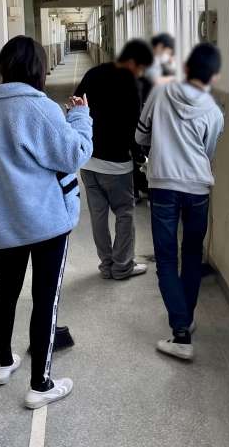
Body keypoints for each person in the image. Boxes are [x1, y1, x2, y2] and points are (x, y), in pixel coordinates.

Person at [0, 36, 93, 409]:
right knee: (45, 298)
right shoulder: (39, 107)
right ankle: (41, 384)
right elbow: (74, 154)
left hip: (5, 221)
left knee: (6, 290)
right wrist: (80, 118)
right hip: (45, 222)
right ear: (37, 68)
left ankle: (3, 363)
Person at [136, 43, 224, 361]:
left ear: (186, 69)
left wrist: (160, 144)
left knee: (166, 259)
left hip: (163, 185)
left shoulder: (161, 93)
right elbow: (207, 152)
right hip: (198, 188)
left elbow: (140, 136)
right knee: (191, 255)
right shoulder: (214, 112)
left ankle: (181, 332)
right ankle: (186, 318)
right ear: (214, 76)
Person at [75, 39, 154, 280]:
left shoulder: (93, 73)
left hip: (88, 161)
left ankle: (106, 264)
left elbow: (76, 106)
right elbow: (134, 127)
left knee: (98, 216)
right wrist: (140, 157)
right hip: (116, 165)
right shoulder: (130, 83)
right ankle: (122, 266)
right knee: (124, 213)